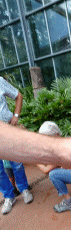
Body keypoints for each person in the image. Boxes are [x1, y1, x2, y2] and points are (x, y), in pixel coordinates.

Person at [0, 76, 33, 215]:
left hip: (7, 128)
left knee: (17, 162)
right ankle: (9, 196)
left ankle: (24, 189)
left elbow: (18, 95)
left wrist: (16, 116)